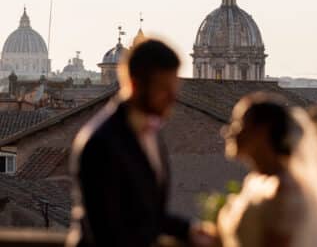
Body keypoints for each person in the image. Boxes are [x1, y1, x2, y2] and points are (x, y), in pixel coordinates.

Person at [67, 39, 210, 247]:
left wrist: (189, 229)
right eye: (164, 89)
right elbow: (105, 229)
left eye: (174, 88)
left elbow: (144, 214)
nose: (172, 98)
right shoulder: (100, 142)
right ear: (134, 84)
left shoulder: (151, 134)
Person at [217, 92, 317, 247]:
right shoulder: (257, 181)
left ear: (262, 131)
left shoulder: (285, 189)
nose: (228, 131)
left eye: (239, 123)